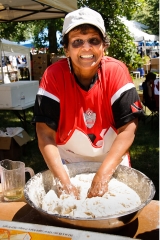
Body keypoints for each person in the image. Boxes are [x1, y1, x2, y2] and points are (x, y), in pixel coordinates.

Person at [32, 7, 144, 199]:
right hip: (69, 162)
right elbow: (45, 134)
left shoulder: (116, 72)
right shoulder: (54, 76)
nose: (86, 48)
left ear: (103, 46)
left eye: (94, 40)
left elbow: (128, 129)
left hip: (112, 161)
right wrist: (64, 182)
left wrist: (102, 176)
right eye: (77, 42)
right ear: (66, 49)